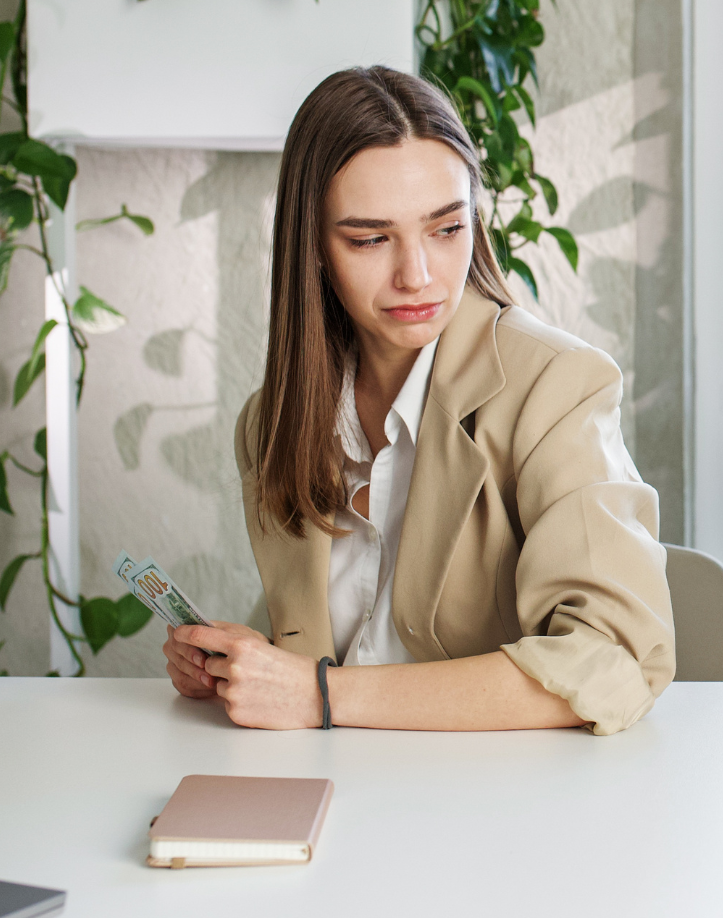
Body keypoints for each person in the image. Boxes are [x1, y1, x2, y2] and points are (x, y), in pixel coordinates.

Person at [162, 67, 674, 735]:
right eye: (371, 239)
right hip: (330, 788)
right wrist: (241, 668)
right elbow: (322, 637)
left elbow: (614, 660)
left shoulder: (556, 386)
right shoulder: (272, 421)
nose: (419, 274)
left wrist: (321, 696)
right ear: (311, 246)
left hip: (490, 802)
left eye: (446, 228)